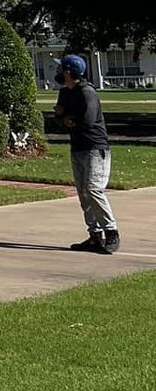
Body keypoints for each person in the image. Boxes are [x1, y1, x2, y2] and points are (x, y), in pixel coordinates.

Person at [53, 55, 118, 254]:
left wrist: (66, 118)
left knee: (94, 189)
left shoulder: (87, 92)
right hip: (78, 147)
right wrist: (64, 118)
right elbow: (59, 117)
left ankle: (112, 232)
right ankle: (95, 236)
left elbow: (87, 120)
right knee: (83, 193)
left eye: (61, 69)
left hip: (95, 148)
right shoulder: (65, 92)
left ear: (70, 72)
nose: (58, 72)